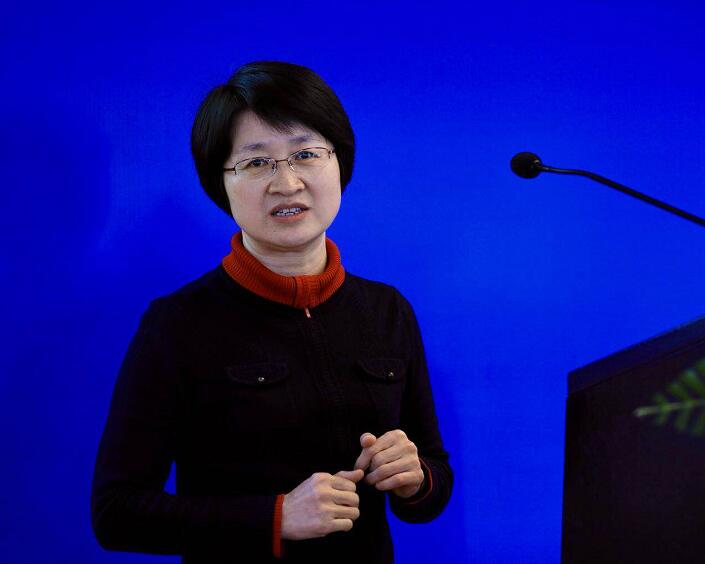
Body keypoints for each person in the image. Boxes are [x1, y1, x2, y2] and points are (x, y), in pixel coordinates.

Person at [91, 61, 453, 563]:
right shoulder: (177, 325)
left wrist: (416, 479)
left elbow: (432, 489)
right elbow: (116, 512)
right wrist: (276, 518)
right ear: (220, 184)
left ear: (340, 164)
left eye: (306, 154)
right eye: (257, 162)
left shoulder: (387, 310)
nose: (287, 182)